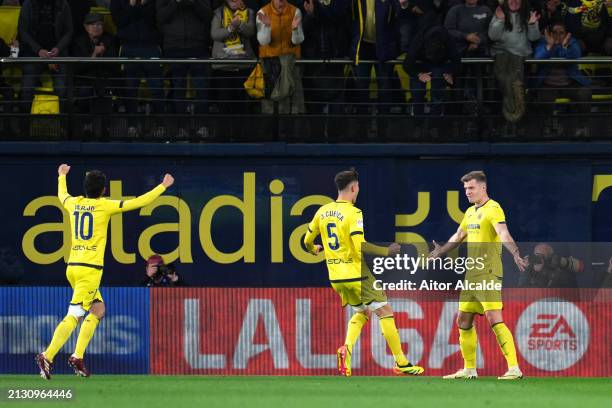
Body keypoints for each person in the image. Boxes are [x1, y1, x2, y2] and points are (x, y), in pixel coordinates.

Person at [35, 164, 174, 379]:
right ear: (103, 190)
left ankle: (78, 356)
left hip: (72, 267)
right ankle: (48, 355)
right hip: (89, 270)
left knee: (98, 310)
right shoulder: (104, 206)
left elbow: (62, 194)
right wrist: (162, 187)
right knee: (75, 315)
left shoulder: (74, 203)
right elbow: (138, 202)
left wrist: (61, 175)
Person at [303, 169, 424, 377]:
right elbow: (359, 245)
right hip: (357, 273)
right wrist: (388, 252)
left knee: (362, 312)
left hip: (336, 277)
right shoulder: (353, 212)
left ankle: (346, 350)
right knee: (385, 311)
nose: (358, 190)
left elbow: (306, 241)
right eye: (357, 186)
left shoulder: (322, 211)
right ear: (353, 187)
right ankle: (402, 362)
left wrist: (314, 250)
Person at [429, 170, 527, 380]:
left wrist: (516, 253)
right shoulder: (470, 212)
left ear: (483, 187)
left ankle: (514, 368)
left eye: (471, 188)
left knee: (494, 318)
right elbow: (459, 235)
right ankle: (469, 369)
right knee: (463, 320)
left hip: (488, 273)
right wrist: (440, 250)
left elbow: (503, 233)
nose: (467, 192)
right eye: (465, 189)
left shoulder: (493, 208)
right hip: (472, 275)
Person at [18, 0, 74, 113]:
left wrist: (58, 48)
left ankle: (62, 127)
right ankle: (24, 127)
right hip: (33, 54)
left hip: (58, 54)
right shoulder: (28, 4)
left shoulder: (63, 4)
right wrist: (38, 50)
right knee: (27, 89)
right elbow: (23, 31)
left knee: (62, 89)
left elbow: (69, 31)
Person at [71, 13, 120, 114]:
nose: (96, 27)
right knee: (84, 92)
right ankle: (86, 126)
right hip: (85, 79)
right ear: (86, 27)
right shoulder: (78, 42)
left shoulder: (110, 40)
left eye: (99, 24)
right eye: (92, 25)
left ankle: (105, 127)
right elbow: (78, 68)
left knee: (106, 91)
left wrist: (102, 55)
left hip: (105, 78)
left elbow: (113, 65)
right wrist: (94, 55)